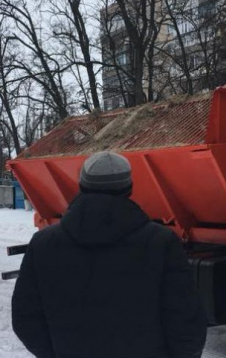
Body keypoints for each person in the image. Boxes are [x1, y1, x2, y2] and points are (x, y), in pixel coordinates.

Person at [11, 151, 207, 358]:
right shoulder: (161, 243)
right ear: (128, 188)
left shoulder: (44, 244)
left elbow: (25, 317)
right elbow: (186, 319)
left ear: (83, 186)